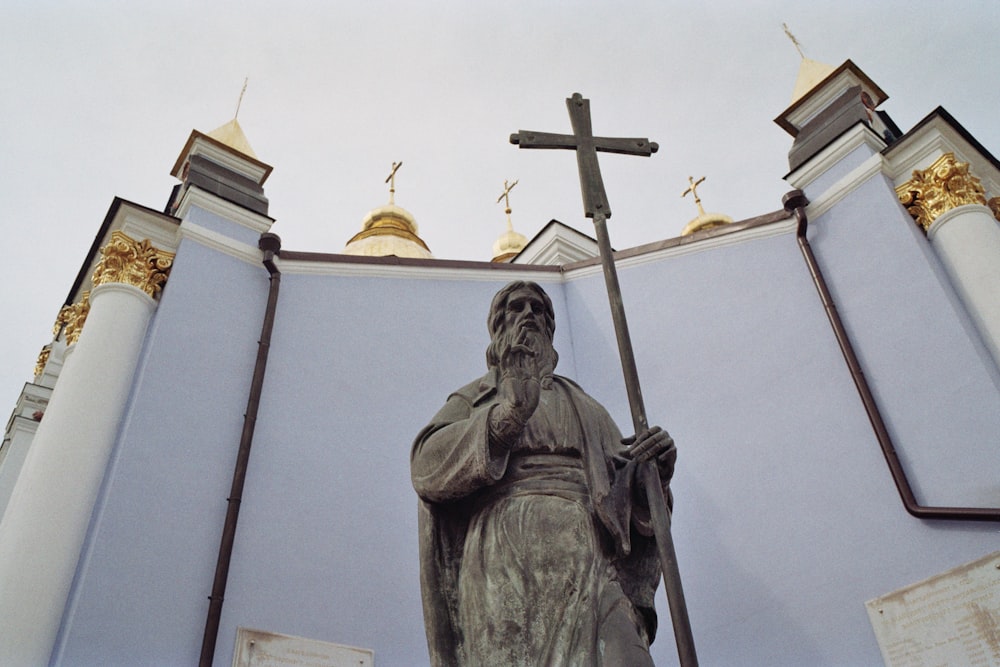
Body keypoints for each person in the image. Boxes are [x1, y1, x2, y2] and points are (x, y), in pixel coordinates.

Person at [411, 281, 677, 666]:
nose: (530, 315)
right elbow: (426, 466)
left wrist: (652, 475)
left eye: (538, 310)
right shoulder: (477, 396)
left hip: (589, 558)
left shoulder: (585, 406)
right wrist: (507, 417)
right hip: (504, 558)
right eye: (517, 308)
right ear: (499, 329)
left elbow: (625, 495)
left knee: (627, 655)